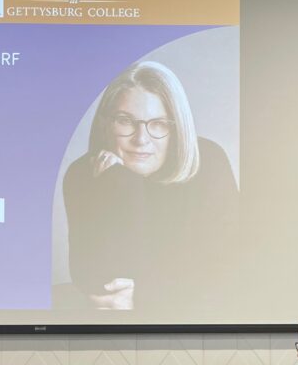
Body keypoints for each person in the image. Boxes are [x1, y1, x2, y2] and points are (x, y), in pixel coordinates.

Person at [62, 60, 239, 311]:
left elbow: (227, 270)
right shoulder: (84, 174)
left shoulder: (208, 161)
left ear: (176, 128)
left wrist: (146, 295)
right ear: (106, 123)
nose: (141, 139)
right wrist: (123, 185)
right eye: (125, 121)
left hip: (198, 322)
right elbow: (90, 276)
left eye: (158, 124)